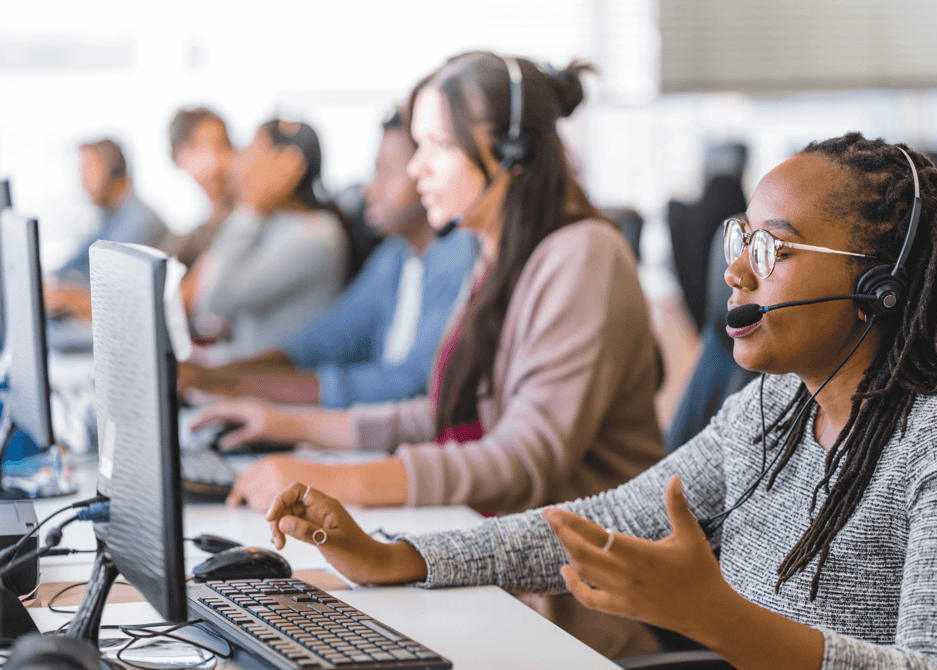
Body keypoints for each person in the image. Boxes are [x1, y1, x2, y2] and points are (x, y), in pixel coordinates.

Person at [265, 132, 937, 668]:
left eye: (773, 250)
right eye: (741, 241)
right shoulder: (773, 409)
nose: (736, 274)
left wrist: (723, 621)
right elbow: (603, 523)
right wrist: (395, 557)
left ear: (876, 284)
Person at [195, 52, 667, 658]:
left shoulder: (582, 256)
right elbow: (453, 415)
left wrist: (335, 478)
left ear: (512, 152)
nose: (417, 169)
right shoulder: (497, 255)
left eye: (436, 144)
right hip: (499, 572)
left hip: (576, 611)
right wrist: (292, 426)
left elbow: (525, 458)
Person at [178, 109, 478, 409]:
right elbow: (324, 339)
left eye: (385, 172)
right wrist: (213, 375)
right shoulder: (396, 255)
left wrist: (224, 382)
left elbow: (411, 382)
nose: (369, 189)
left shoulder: (457, 254)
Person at [188, 119, 350, 361]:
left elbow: (212, 299)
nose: (238, 163)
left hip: (271, 384)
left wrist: (251, 208)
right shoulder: (276, 223)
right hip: (245, 370)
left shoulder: (315, 235)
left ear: (285, 164)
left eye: (252, 151)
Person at [45, 138, 171, 318]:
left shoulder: (142, 221)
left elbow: (114, 296)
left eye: (87, 171)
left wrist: (70, 297)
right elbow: (73, 265)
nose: (82, 181)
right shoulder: (106, 217)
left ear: (113, 171)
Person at [166, 106, 237, 270]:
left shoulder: (247, 215)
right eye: (199, 149)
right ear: (179, 159)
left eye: (222, 146)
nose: (213, 160)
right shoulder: (199, 230)